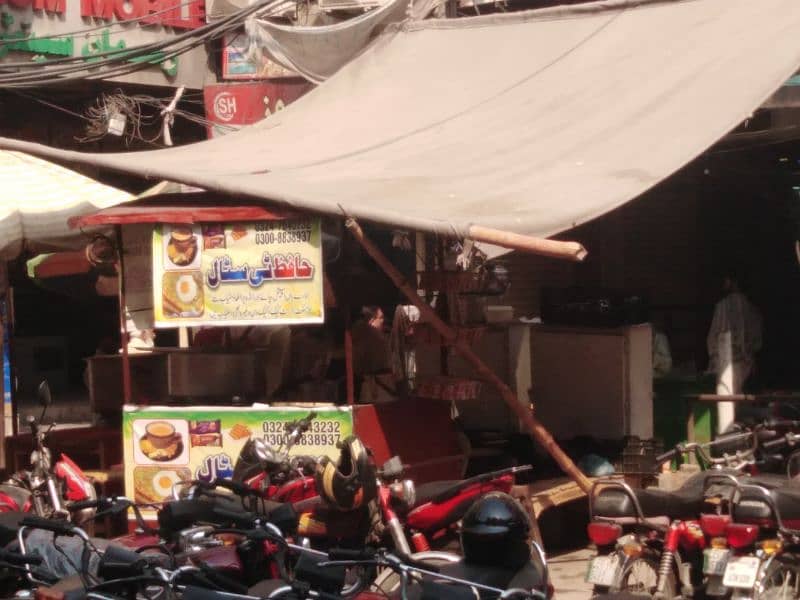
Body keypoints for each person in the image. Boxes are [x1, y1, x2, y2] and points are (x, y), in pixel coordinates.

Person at [706, 272, 762, 434]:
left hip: (725, 360)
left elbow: (715, 334)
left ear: (732, 281)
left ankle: (729, 437)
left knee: (726, 401)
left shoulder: (723, 306)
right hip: (746, 362)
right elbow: (756, 338)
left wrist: (715, 354)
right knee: (740, 400)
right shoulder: (751, 308)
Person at [351, 306, 394, 403]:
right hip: (377, 389)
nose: (383, 321)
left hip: (372, 388)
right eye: (381, 317)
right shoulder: (374, 336)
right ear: (371, 320)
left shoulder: (360, 334)